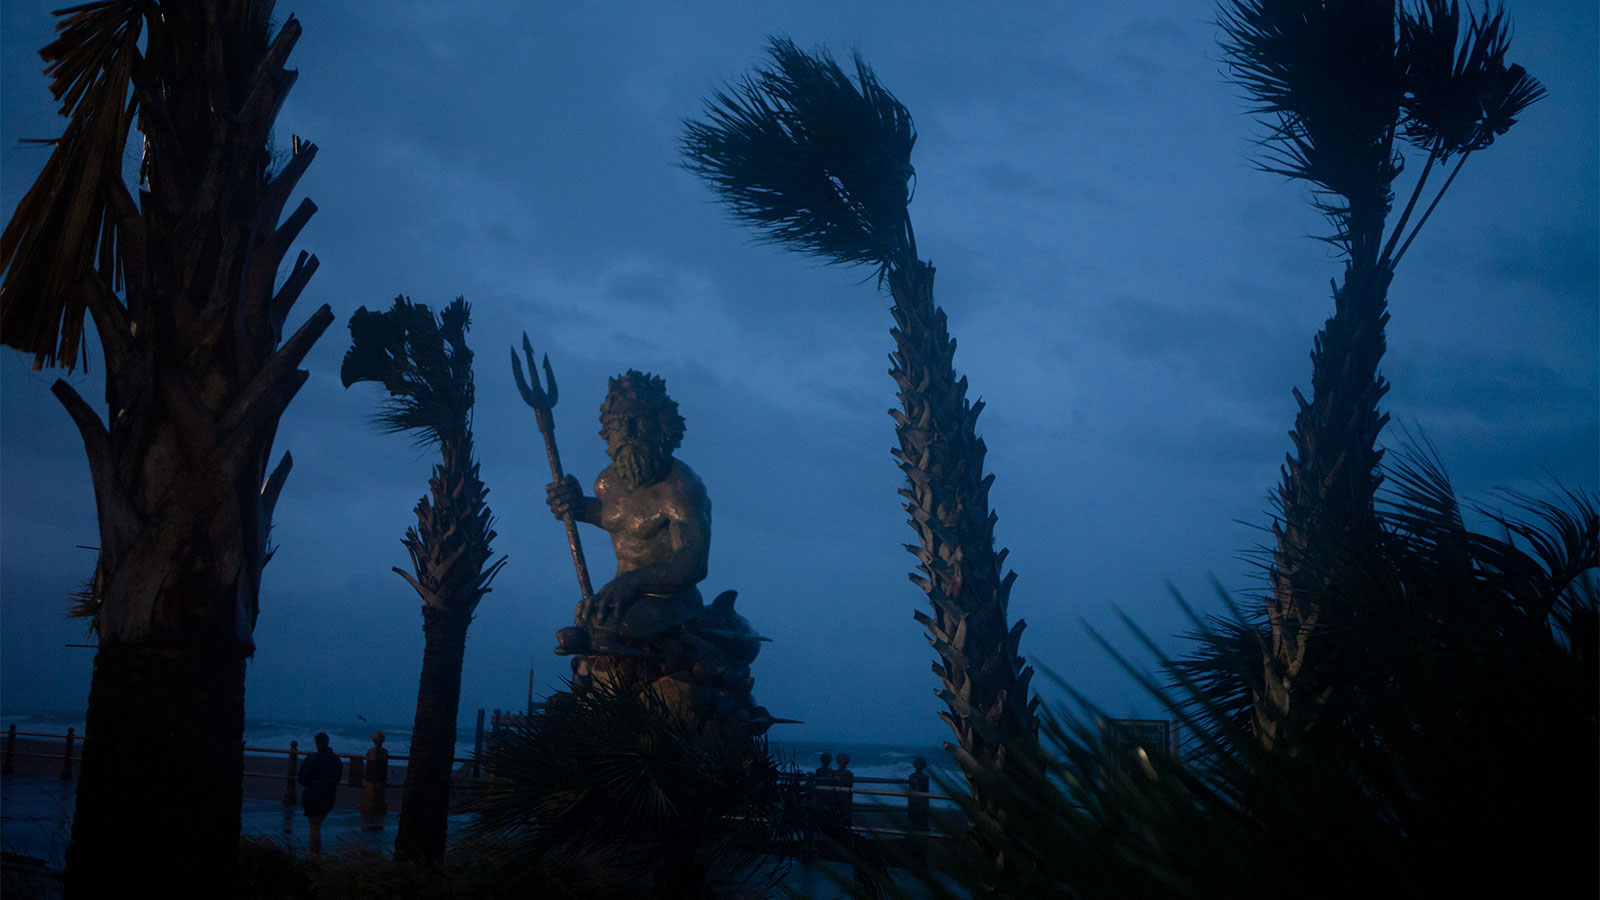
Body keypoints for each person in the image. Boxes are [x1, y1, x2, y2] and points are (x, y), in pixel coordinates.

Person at [546, 370, 711, 655]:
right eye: (620, 424)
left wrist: (632, 581)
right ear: (609, 431)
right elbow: (618, 518)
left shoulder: (681, 488)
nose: (629, 433)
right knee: (597, 619)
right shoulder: (607, 482)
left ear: (662, 428)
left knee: (614, 629)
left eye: (639, 423)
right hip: (619, 594)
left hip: (671, 599)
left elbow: (693, 562)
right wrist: (576, 506)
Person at [297, 732, 342, 855]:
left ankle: (314, 854)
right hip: (329, 794)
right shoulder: (336, 759)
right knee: (317, 823)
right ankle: (315, 852)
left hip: (313, 793)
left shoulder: (312, 758)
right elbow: (338, 778)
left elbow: (302, 779)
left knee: (314, 825)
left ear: (316, 744)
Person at [360, 732, 388, 824]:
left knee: (370, 797)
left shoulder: (370, 752)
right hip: (380, 778)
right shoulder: (384, 752)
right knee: (379, 796)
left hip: (371, 778)